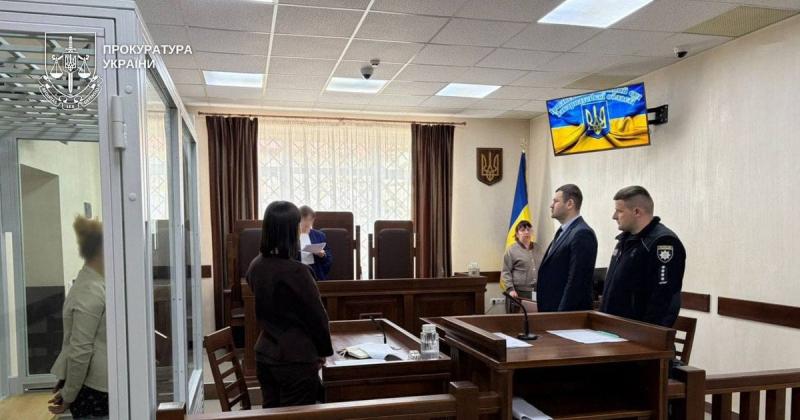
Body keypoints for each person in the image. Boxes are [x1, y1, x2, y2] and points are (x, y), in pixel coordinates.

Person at [246, 201, 333, 408]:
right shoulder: (298, 272)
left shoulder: (255, 265)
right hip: (296, 359)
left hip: (265, 354)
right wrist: (324, 351)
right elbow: (317, 317)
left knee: (272, 411)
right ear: (291, 230)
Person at [601, 186, 686, 327]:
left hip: (638, 333)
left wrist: (647, 334)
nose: (614, 216)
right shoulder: (625, 240)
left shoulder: (663, 242)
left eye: (619, 211)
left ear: (637, 212)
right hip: (614, 328)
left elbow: (663, 298)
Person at [49, 216, 108, 418]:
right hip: (95, 389)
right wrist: (69, 393)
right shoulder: (90, 289)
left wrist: (68, 387)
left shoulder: (97, 284)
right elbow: (80, 349)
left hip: (98, 386)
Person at [536, 184, 598, 312]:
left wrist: (562, 315)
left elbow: (576, 281)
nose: (551, 205)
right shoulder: (564, 231)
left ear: (570, 204)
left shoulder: (582, 233)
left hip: (565, 313)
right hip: (551, 309)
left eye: (556, 201)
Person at [501, 220, 536, 313]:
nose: (526, 232)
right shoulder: (511, 250)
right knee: (517, 319)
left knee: (534, 319)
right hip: (518, 293)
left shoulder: (539, 249)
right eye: (523, 230)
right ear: (517, 234)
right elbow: (506, 272)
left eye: (528, 229)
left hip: (536, 292)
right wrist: (510, 289)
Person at [299, 205, 333, 280]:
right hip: (297, 273)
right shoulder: (291, 235)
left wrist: (322, 255)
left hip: (315, 273)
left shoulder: (320, 235)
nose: (307, 223)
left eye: (310, 220)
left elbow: (329, 258)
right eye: (305, 219)